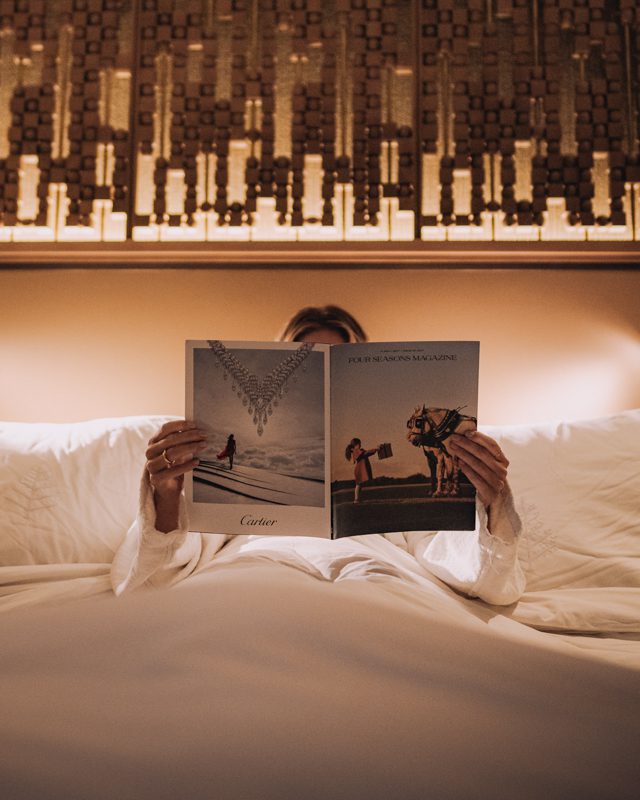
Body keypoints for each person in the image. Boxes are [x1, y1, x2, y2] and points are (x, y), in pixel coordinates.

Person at [111, 305, 525, 605]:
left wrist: (493, 504)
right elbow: (151, 582)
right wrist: (165, 495)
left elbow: (479, 578)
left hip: (378, 579)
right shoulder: (225, 494)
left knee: (385, 600)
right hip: (255, 576)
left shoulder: (402, 522)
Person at [345, 438, 378, 503]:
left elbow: (367, 453)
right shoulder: (356, 451)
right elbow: (366, 453)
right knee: (358, 485)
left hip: (360, 470)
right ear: (356, 444)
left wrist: (375, 450)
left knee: (359, 485)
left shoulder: (359, 451)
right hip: (359, 470)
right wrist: (375, 449)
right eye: (359, 443)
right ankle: (356, 499)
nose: (360, 445)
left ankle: (357, 499)